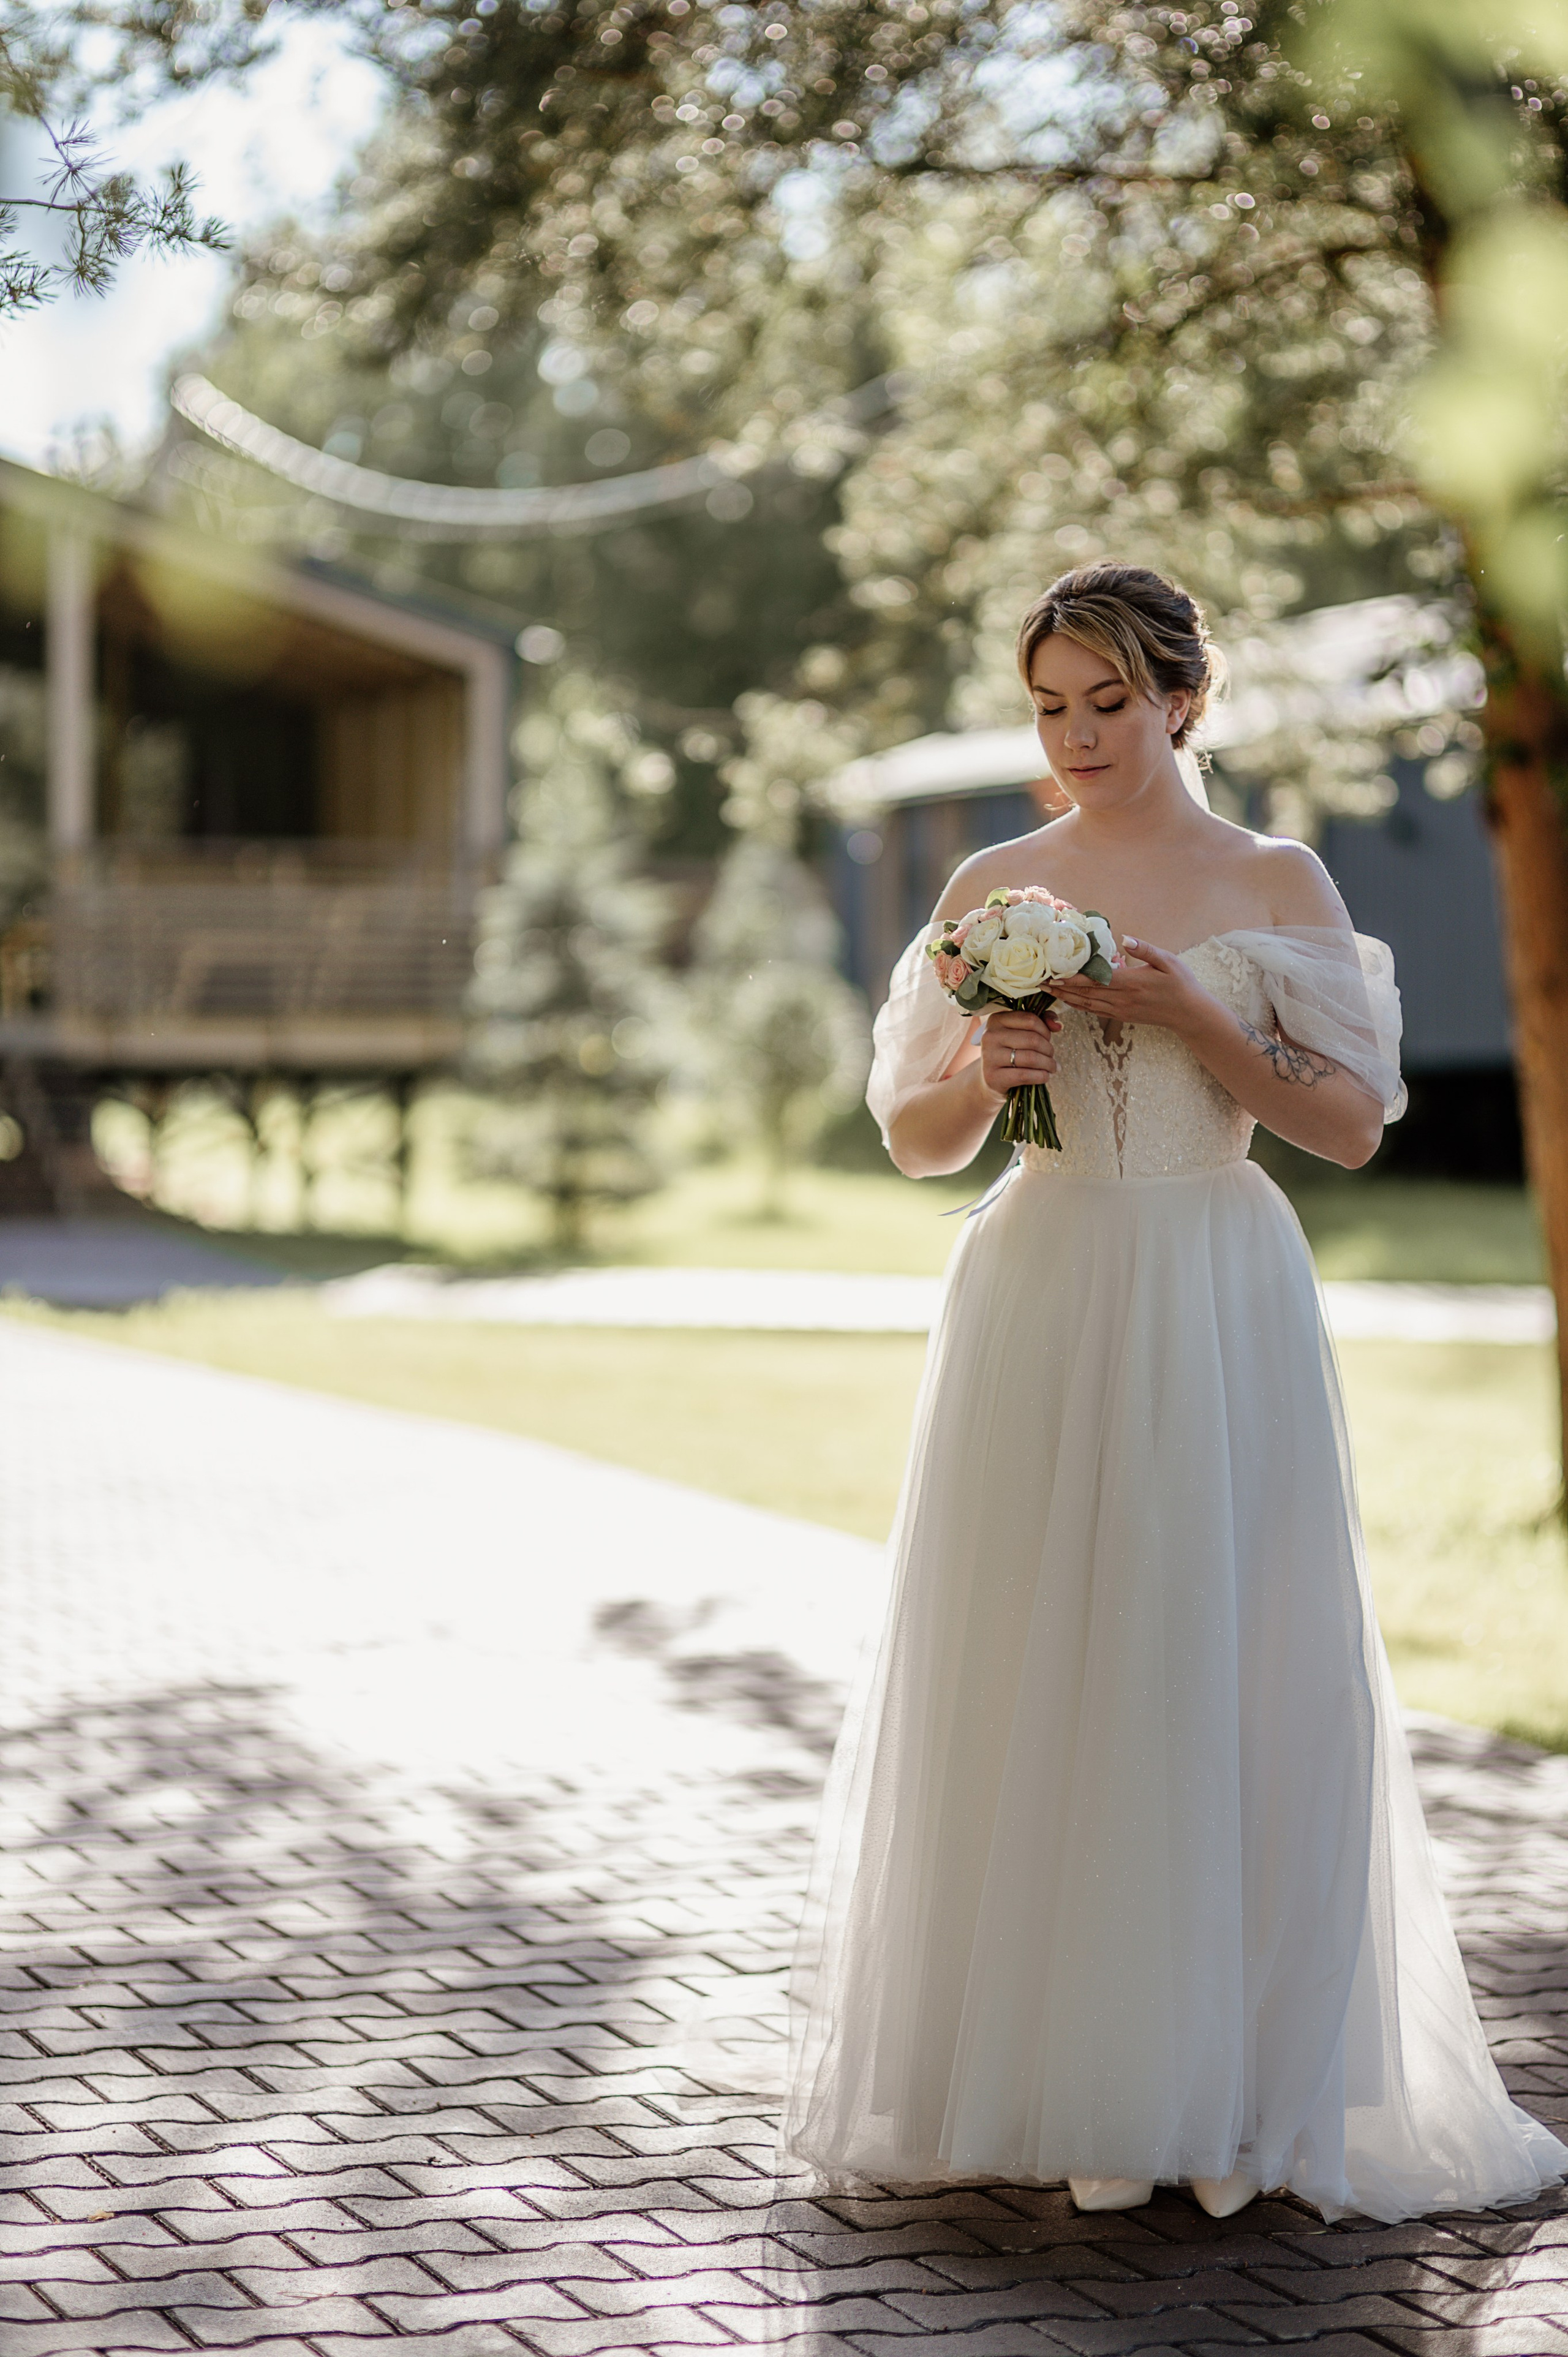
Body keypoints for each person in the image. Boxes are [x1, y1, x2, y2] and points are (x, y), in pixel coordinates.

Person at [782, 562, 1567, 2223]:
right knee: (1030, 1658)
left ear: (1185, 701)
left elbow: (1351, 1123)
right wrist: (977, 1077)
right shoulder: (998, 882)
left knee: (1211, 1654)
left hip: (1216, 1282)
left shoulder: (1270, 876)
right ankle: (1052, 2075)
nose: (1077, 740)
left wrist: (1193, 1011)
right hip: (1040, 1287)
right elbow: (913, 1140)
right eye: (1052, 708)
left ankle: (1223, 2085)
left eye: (1110, 705)